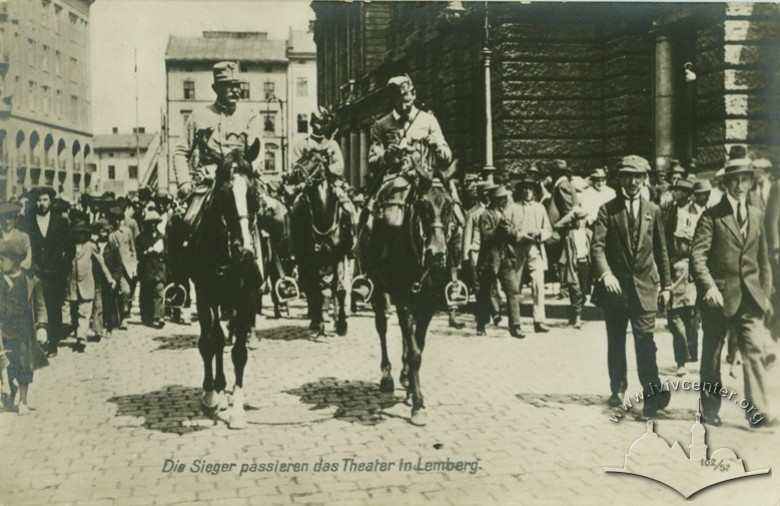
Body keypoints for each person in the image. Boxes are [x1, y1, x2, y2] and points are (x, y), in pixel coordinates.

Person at [691, 156, 775, 428]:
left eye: (745, 180)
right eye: (734, 180)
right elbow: (697, 258)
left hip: (750, 298)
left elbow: (763, 261)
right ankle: (710, 409)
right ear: (726, 183)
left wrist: (765, 293)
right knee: (713, 356)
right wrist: (709, 288)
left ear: (751, 183)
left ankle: (758, 410)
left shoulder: (757, 215)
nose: (739, 185)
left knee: (754, 352)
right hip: (718, 299)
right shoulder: (711, 216)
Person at [591, 155, 672, 419]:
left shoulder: (654, 210)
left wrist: (667, 285)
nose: (633, 182)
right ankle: (618, 388)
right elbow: (597, 248)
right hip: (616, 292)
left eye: (638, 177)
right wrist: (606, 275)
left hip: (646, 288)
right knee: (615, 342)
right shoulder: (607, 210)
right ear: (620, 179)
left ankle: (650, 397)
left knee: (645, 343)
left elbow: (662, 251)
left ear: (644, 179)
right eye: (628, 176)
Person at [172, 61, 263, 233]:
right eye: (229, 86)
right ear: (216, 88)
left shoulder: (250, 115)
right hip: (208, 183)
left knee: (273, 219)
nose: (236, 90)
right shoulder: (199, 115)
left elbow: (257, 151)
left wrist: (251, 170)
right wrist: (184, 182)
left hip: (242, 182)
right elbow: (180, 151)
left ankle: (280, 259)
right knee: (185, 224)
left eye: (237, 85)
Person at [367, 74, 451, 201]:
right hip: (395, 178)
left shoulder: (429, 120)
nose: (403, 106)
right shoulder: (381, 125)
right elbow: (372, 161)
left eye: (406, 100)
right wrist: (387, 155)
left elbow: (447, 157)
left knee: (453, 208)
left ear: (414, 94)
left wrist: (437, 146)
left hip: (427, 177)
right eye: (398, 102)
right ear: (391, 100)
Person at [24, 187, 74, 358]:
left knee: (54, 307)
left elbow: (70, 247)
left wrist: (64, 266)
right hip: (36, 270)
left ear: (50, 201)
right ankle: (38, 344)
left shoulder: (60, 221)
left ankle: (53, 343)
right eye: (38, 200)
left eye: (45, 200)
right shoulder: (29, 221)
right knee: (36, 307)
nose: (41, 203)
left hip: (55, 272)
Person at [0, 238, 48, 415]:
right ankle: (9, 388)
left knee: (24, 365)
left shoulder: (30, 280)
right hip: (4, 331)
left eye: (2, 259)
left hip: (24, 331)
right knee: (5, 365)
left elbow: (40, 304)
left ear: (15, 261)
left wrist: (42, 325)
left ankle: (23, 400)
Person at [506, 174, 552, 333]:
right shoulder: (512, 208)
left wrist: (539, 234)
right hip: (516, 250)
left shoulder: (540, 208)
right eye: (524, 188)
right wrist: (519, 235)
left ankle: (539, 321)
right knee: (514, 286)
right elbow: (505, 228)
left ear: (534, 191)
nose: (527, 191)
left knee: (538, 284)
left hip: (535, 249)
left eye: (530, 189)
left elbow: (548, 230)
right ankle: (515, 323)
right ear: (520, 191)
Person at [476, 185, 523, 338]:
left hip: (505, 258)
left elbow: (511, 233)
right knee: (485, 293)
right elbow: (486, 237)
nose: (506, 200)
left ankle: (515, 326)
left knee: (513, 290)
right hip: (489, 260)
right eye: (503, 198)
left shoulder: (504, 213)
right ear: (496, 200)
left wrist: (513, 232)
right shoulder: (485, 215)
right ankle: (481, 324)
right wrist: (500, 230)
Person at [67, 221, 112, 351]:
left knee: (84, 312)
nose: (79, 236)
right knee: (75, 312)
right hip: (73, 286)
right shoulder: (70, 247)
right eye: (76, 233)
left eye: (81, 233)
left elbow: (102, 264)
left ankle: (81, 338)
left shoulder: (90, 246)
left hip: (87, 285)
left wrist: (110, 279)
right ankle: (78, 332)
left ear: (86, 234)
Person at [668, 228, 698, 376]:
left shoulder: (694, 261)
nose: (677, 245)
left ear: (689, 245)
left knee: (691, 332)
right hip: (674, 302)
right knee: (679, 332)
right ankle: (681, 362)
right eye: (676, 242)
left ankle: (686, 361)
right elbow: (666, 281)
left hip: (690, 301)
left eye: (681, 243)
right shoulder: (672, 262)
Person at [106, 206, 137, 329]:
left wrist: (133, 265)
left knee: (125, 292)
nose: (117, 222)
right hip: (112, 268)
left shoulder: (127, 231)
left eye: (119, 219)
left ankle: (124, 317)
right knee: (113, 293)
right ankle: (113, 319)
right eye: (115, 219)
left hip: (125, 268)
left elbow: (132, 249)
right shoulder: (109, 233)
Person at [137, 211, 167, 329]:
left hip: (158, 269)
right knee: (146, 294)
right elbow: (138, 254)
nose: (153, 226)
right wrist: (146, 252)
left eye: (154, 223)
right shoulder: (141, 238)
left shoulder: (162, 237)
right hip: (146, 269)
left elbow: (167, 253)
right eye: (150, 223)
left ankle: (160, 316)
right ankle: (147, 316)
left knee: (159, 291)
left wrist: (161, 252)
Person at [0, 201, 32, 271]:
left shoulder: (23, 237)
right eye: (3, 218)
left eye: (10, 218)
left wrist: (26, 262)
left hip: (19, 273)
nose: (7, 221)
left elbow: (29, 257)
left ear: (15, 219)